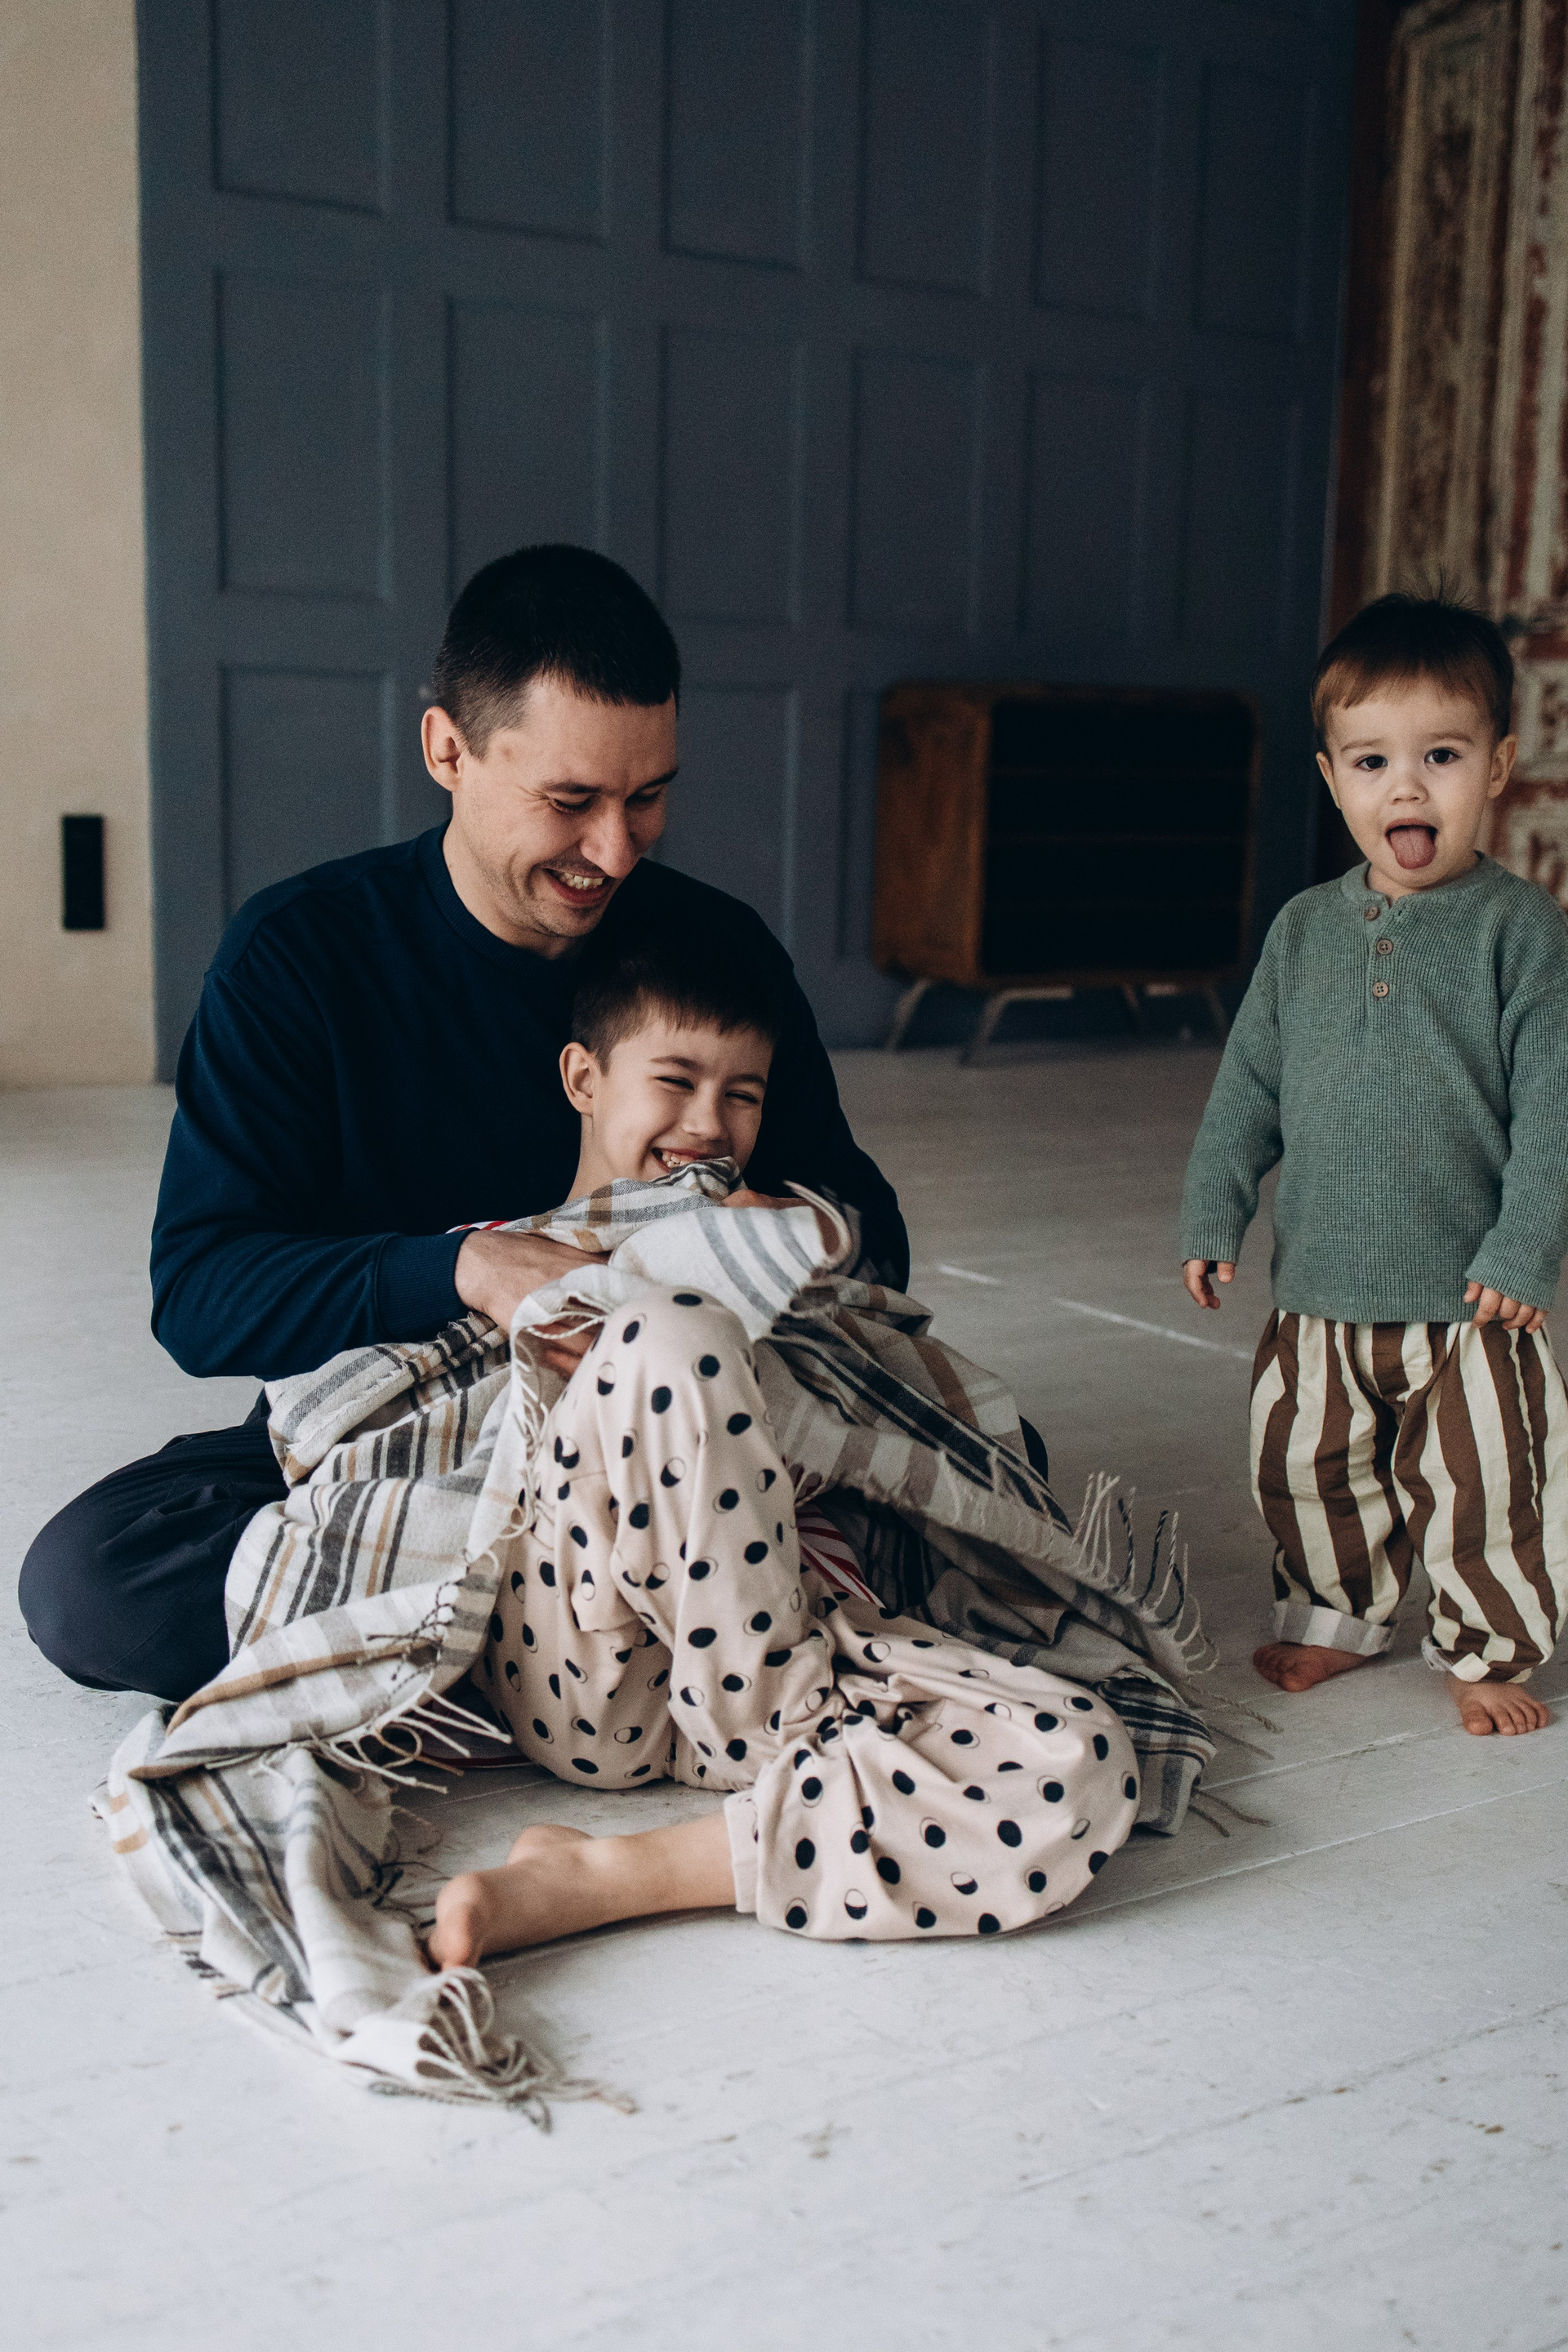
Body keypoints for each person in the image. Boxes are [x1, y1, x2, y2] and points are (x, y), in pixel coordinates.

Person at [20, 545, 906, 1704]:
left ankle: (508, 1629)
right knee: (93, 1583)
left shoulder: (714, 949)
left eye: (647, 797)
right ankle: (607, 1621)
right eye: (571, 802)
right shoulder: (298, 958)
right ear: (448, 749)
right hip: (398, 1432)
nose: (615, 851)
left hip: (675, 1434)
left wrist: (772, 1231)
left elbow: (869, 1229)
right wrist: (470, 1269)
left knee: (978, 1475)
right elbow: (202, 1295)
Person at [430, 932, 1138, 1961]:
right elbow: (436, 1449)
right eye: (675, 1081)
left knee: (1082, 1762)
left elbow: (874, 1392)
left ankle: (617, 1876)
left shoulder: (778, 1246)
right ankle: (793, 1745)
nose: (708, 1125)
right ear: (583, 1079)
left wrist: (786, 1253)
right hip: (587, 1677)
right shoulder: (505, 1256)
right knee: (669, 1330)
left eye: (743, 1096)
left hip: (795, 1638)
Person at [1179, 593, 1568, 1737]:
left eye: (1440, 756)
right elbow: (1249, 1087)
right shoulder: (1303, 931)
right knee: (1310, 1468)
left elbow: (1555, 1108)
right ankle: (1337, 1616)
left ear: (1498, 767)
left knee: (1483, 1485)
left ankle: (1487, 1648)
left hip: (1470, 1298)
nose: (1407, 788)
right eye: (1372, 761)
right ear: (1332, 777)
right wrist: (1213, 1209)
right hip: (1319, 1291)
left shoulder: (1520, 930)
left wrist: (1524, 1248)